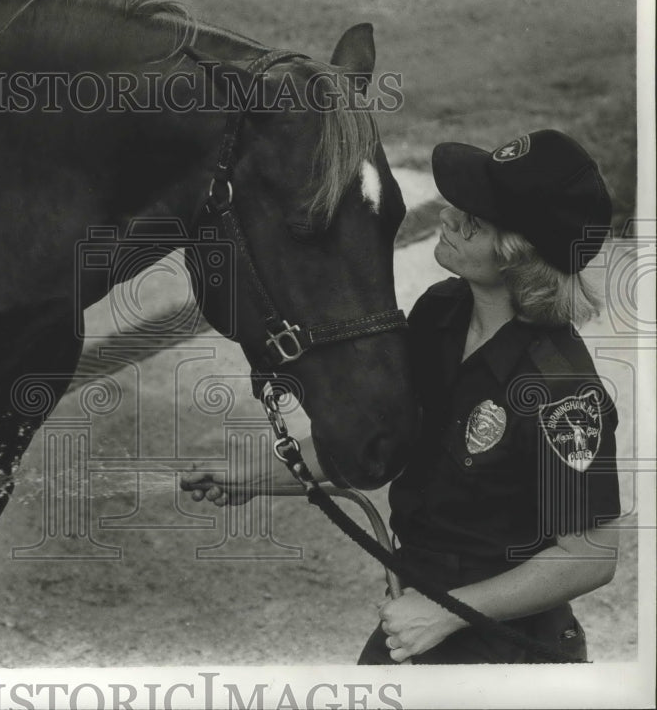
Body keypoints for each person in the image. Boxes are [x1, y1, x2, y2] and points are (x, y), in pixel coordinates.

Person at [180, 129, 622, 664]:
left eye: (473, 221)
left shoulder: (563, 391)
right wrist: (252, 477)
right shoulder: (442, 311)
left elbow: (589, 555)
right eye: (457, 206)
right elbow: (389, 433)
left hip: (513, 645)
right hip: (421, 610)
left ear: (518, 255)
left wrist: (448, 611)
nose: (448, 218)